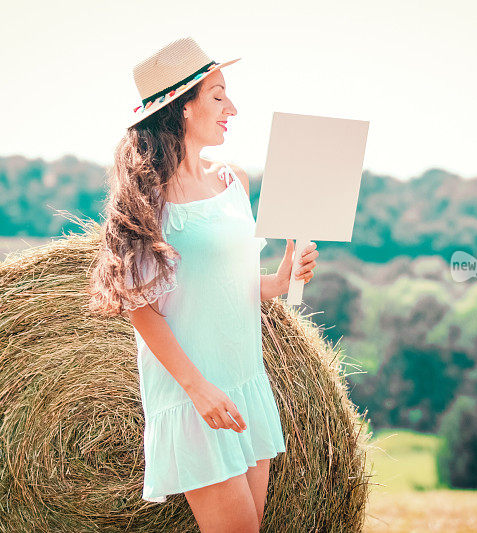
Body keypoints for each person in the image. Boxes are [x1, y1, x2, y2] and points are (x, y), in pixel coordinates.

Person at [88, 37, 318, 532]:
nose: (231, 108)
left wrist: (279, 281)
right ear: (182, 107)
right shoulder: (145, 200)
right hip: (195, 396)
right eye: (218, 96)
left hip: (245, 382)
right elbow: (139, 307)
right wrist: (198, 390)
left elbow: (223, 284)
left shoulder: (234, 182)